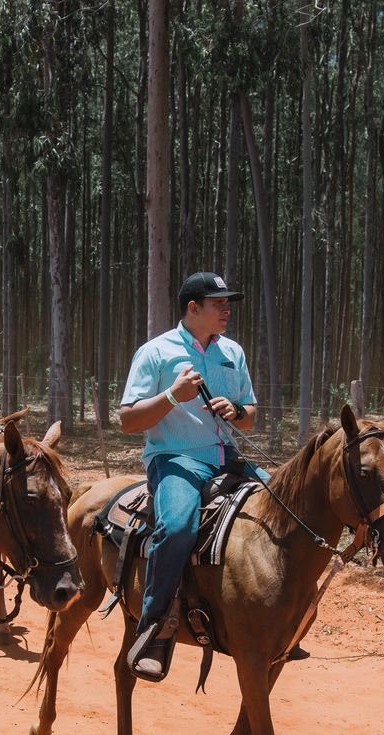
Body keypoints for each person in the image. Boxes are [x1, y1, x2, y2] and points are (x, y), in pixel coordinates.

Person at [118, 271, 260, 680]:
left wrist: (236, 411)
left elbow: (250, 414)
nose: (227, 310)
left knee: (283, 506)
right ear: (193, 307)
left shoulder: (232, 351)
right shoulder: (156, 352)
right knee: (178, 526)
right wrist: (171, 396)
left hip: (226, 457)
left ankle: (280, 615)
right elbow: (127, 421)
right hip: (174, 457)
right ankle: (154, 630)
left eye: (228, 303)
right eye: (219, 304)